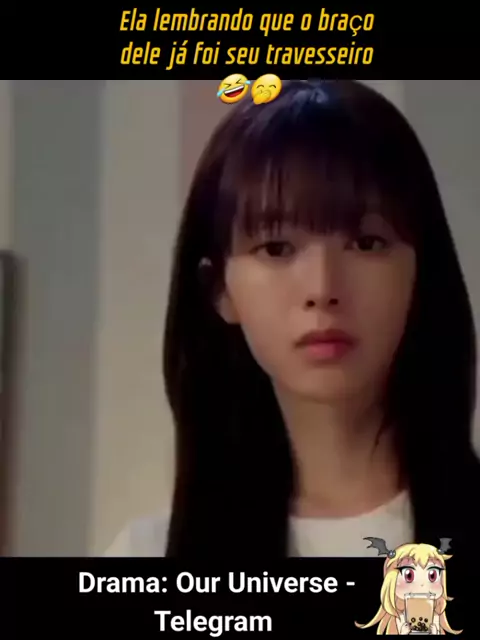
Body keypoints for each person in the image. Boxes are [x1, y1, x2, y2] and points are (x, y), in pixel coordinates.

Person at [105, 79, 480, 560]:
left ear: (420, 273)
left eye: (366, 243)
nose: (322, 288)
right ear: (219, 290)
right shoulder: (147, 554)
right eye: (277, 248)